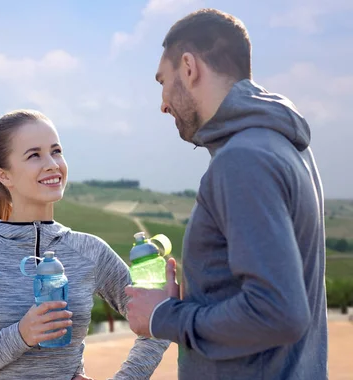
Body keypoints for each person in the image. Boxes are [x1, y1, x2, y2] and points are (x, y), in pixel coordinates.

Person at [125, 8, 327, 380]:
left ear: (188, 67)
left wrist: (163, 316)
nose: (163, 103)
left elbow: (279, 313)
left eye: (162, 82)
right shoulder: (282, 145)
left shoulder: (243, 159)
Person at [0, 109, 170, 379]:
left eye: (56, 151)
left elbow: (159, 320)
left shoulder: (89, 251)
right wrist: (22, 334)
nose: (52, 164)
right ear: (4, 175)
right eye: (34, 155)